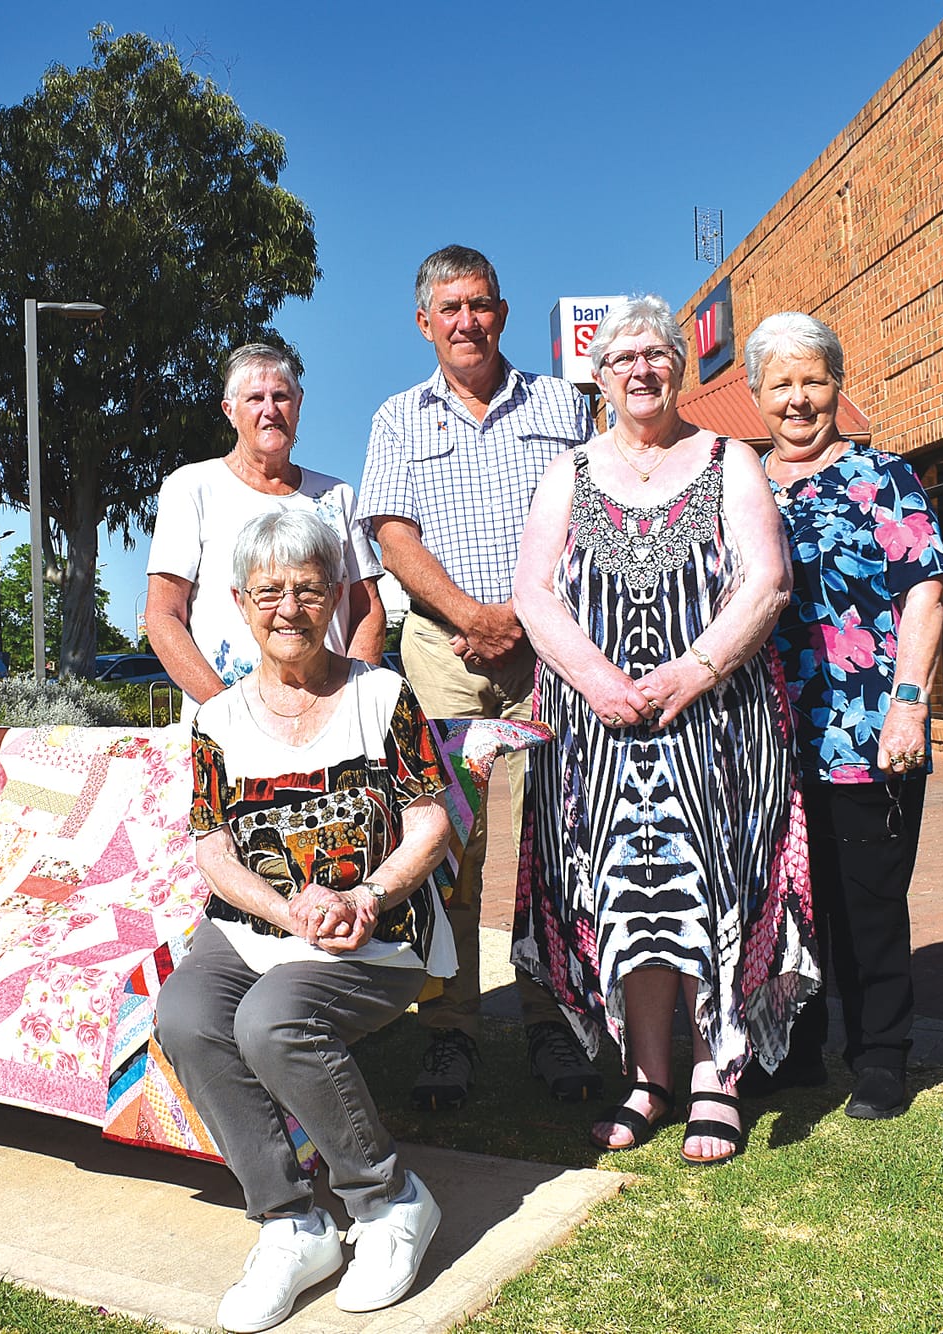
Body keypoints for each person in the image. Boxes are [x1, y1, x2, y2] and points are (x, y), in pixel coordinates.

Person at [510, 294, 818, 1166]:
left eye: (656, 354)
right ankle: (649, 1078)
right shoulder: (568, 470)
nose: (641, 371)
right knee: (627, 894)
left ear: (679, 365)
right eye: (622, 359)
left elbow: (765, 583)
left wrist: (691, 673)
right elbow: (534, 593)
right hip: (598, 731)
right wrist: (600, 683)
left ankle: (718, 1078)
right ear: (598, 376)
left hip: (715, 720)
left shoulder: (730, 461)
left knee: (710, 884)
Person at [154, 510, 455, 1332]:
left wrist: (367, 897)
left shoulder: (381, 696)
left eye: (308, 590)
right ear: (239, 602)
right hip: (255, 925)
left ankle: (390, 1200)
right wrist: (286, 907)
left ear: (335, 601)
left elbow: (431, 823)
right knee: (184, 1015)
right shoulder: (216, 721)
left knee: (274, 1020)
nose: (288, 608)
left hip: (374, 927)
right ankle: (292, 1222)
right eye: (269, 592)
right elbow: (213, 848)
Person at [355, 244, 600, 1110]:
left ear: (503, 312)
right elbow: (391, 537)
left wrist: (529, 623)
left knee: (560, 843)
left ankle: (553, 1019)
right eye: (450, 308)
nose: (468, 322)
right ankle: (448, 1032)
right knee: (448, 847)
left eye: (482, 305)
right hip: (443, 656)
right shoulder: (397, 418)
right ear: (425, 322)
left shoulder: (567, 407)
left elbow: (594, 516)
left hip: (549, 657)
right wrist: (472, 616)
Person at [746, 311, 943, 1121]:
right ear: (757, 397)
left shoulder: (883, 478)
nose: (799, 400)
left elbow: (925, 589)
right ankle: (793, 1050)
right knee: (784, 898)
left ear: (838, 385)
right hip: (764, 733)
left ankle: (880, 1058)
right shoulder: (739, 483)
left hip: (867, 726)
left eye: (814, 381)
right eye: (781, 385)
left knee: (866, 897)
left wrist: (909, 704)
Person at [148, 343, 385, 714]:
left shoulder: (337, 496)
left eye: (281, 397)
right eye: (255, 399)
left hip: (328, 718)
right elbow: (162, 615)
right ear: (229, 411)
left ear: (299, 404)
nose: (270, 411)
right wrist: (226, 712)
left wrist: (350, 702)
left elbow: (366, 608)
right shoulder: (192, 488)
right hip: (225, 723)